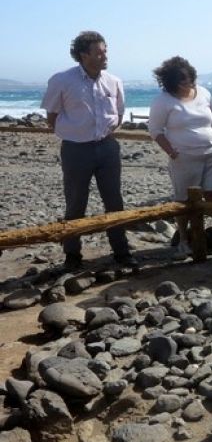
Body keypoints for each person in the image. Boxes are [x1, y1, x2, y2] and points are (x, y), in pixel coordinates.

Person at [41, 31, 136, 269]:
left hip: (107, 147)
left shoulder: (113, 81)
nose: (105, 56)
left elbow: (120, 113)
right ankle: (72, 256)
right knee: (75, 202)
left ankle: (121, 252)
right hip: (76, 150)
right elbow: (51, 116)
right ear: (84, 55)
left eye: (105, 50)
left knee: (114, 200)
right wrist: (74, 134)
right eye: (100, 51)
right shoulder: (62, 80)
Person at [148, 56, 212, 259]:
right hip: (184, 158)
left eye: (190, 78)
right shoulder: (163, 101)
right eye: (182, 80)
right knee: (183, 199)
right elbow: (155, 130)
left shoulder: (205, 93)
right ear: (171, 82)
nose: (188, 83)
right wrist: (171, 152)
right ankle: (183, 239)